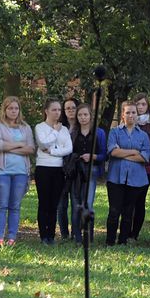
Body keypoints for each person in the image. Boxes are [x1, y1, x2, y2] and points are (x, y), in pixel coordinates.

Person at [0, 96, 35, 246]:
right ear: (5, 110)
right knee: (2, 204)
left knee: (15, 205)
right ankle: (0, 237)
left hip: (21, 172)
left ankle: (11, 238)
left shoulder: (26, 127)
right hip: (2, 171)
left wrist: (10, 146)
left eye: (16, 108)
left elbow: (30, 148)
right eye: (10, 108)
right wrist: (20, 144)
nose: (14, 111)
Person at [106, 100, 150, 246]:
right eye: (128, 112)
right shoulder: (114, 132)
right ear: (122, 115)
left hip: (136, 179)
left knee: (128, 212)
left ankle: (123, 241)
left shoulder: (143, 136)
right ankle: (110, 241)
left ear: (137, 115)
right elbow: (113, 151)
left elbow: (144, 157)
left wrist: (122, 152)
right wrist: (133, 152)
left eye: (134, 112)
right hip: (115, 177)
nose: (131, 115)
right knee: (114, 211)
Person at [34, 98, 73, 245]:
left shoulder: (63, 128)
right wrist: (55, 133)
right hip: (43, 168)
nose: (57, 113)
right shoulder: (40, 127)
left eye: (59, 110)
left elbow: (69, 148)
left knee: (54, 203)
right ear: (46, 111)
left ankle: (51, 235)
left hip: (58, 169)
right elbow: (42, 143)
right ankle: (44, 235)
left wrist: (52, 151)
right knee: (44, 202)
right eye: (54, 110)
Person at [69, 103, 106, 243]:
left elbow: (104, 155)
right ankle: (77, 237)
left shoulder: (99, 133)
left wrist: (93, 156)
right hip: (76, 171)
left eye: (85, 115)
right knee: (76, 203)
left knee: (88, 203)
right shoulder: (73, 133)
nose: (83, 117)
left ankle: (88, 236)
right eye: (80, 115)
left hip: (91, 170)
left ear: (91, 116)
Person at [129, 92, 150, 242]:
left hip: (146, 168)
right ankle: (125, 231)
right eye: (138, 104)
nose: (140, 107)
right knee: (128, 200)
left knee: (139, 200)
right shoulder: (128, 122)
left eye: (143, 104)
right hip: (128, 166)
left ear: (148, 107)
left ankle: (134, 234)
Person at [57, 97, 80, 240]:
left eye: (73, 107)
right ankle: (64, 234)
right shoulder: (59, 128)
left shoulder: (83, 127)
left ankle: (75, 233)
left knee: (76, 202)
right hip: (60, 169)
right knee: (61, 204)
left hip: (77, 170)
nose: (70, 110)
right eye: (67, 108)